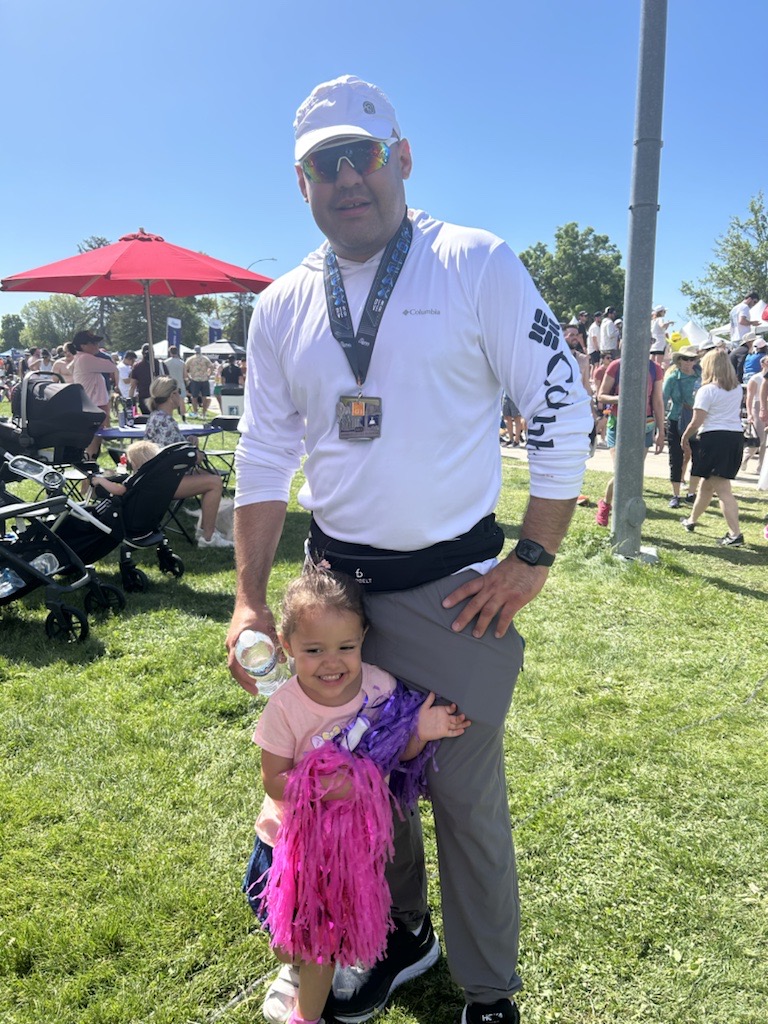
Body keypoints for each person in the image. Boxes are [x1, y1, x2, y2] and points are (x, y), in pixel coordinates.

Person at [227, 74, 592, 1024]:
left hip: (451, 589)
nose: (349, 177)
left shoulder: (474, 261)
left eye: (365, 155)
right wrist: (250, 601)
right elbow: (264, 454)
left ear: (402, 159)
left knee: (464, 800)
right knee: (353, 787)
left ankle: (488, 992)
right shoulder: (281, 305)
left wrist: (534, 556)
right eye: (324, 164)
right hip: (334, 595)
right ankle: (391, 939)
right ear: (299, 184)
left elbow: (563, 408)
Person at [246, 569, 470, 1024]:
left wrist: (419, 733)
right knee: (284, 931)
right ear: (288, 647)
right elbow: (274, 782)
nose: (333, 663)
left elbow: (392, 751)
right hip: (286, 843)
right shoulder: (285, 707)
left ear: (363, 637)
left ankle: (306, 1014)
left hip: (346, 849)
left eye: (346, 647)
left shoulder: (378, 688)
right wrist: (329, 785)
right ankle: (296, 967)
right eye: (314, 650)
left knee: (320, 939)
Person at [145, 376, 232, 548]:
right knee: (214, 483)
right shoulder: (166, 421)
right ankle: (208, 537)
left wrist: (186, 442)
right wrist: (195, 455)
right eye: (179, 393)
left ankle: (206, 529)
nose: (181, 397)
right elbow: (169, 457)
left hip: (159, 477)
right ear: (173, 396)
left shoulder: (157, 417)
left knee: (210, 477)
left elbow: (168, 447)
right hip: (166, 480)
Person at [680, 349, 745, 546]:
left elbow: (696, 420)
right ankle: (691, 520)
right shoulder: (737, 388)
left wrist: (684, 438)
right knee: (706, 485)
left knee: (723, 489)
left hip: (714, 438)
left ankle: (735, 534)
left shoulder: (706, 390)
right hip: (734, 437)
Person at [594, 354, 665, 527]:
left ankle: (625, 512)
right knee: (621, 471)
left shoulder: (654, 369)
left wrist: (662, 431)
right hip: (618, 423)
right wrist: (621, 399)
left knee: (633, 472)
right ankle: (605, 504)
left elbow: (657, 400)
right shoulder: (617, 366)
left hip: (645, 424)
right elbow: (601, 396)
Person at [662, 346, 701, 508]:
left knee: (699, 458)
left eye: (692, 359)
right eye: (685, 358)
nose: (688, 362)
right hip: (676, 420)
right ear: (679, 360)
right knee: (676, 458)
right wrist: (660, 421)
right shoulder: (672, 378)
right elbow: (662, 400)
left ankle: (691, 493)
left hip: (697, 421)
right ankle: (676, 494)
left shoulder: (701, 378)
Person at [71, 329, 118, 459]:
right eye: (92, 343)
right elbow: (112, 367)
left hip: (92, 404)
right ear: (83, 346)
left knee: (94, 443)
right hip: (94, 406)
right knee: (93, 444)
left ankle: (89, 472)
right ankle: (89, 473)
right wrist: (103, 355)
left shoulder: (81, 358)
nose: (97, 346)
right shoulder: (86, 358)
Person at [741, 354, 768, 476]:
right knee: (759, 438)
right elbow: (749, 397)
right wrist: (750, 413)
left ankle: (761, 467)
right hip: (757, 406)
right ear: (763, 364)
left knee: (766, 441)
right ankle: (746, 458)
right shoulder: (756, 378)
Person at [129, 344, 166, 415]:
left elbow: (133, 385)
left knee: (146, 420)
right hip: (159, 396)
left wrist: (130, 399)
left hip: (144, 397)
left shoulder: (137, 367)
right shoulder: (161, 365)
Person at [185, 345, 214, 417]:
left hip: (194, 379)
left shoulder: (190, 359)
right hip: (204, 379)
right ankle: (204, 413)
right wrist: (209, 375)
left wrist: (189, 377)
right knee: (205, 397)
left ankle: (195, 412)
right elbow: (211, 367)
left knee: (194, 397)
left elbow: (185, 368)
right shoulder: (205, 358)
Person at [164, 345, 189, 420]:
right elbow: (185, 376)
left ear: (170, 352)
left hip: (169, 383)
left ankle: (169, 416)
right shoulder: (182, 363)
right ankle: (183, 417)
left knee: (168, 401)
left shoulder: (166, 362)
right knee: (181, 401)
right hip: (180, 384)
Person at [586, 310, 602, 379]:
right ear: (596, 318)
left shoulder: (597, 326)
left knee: (594, 365)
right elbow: (594, 339)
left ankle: (592, 378)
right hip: (594, 349)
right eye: (600, 317)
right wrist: (597, 349)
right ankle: (594, 378)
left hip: (594, 349)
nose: (601, 318)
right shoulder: (594, 327)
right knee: (596, 365)